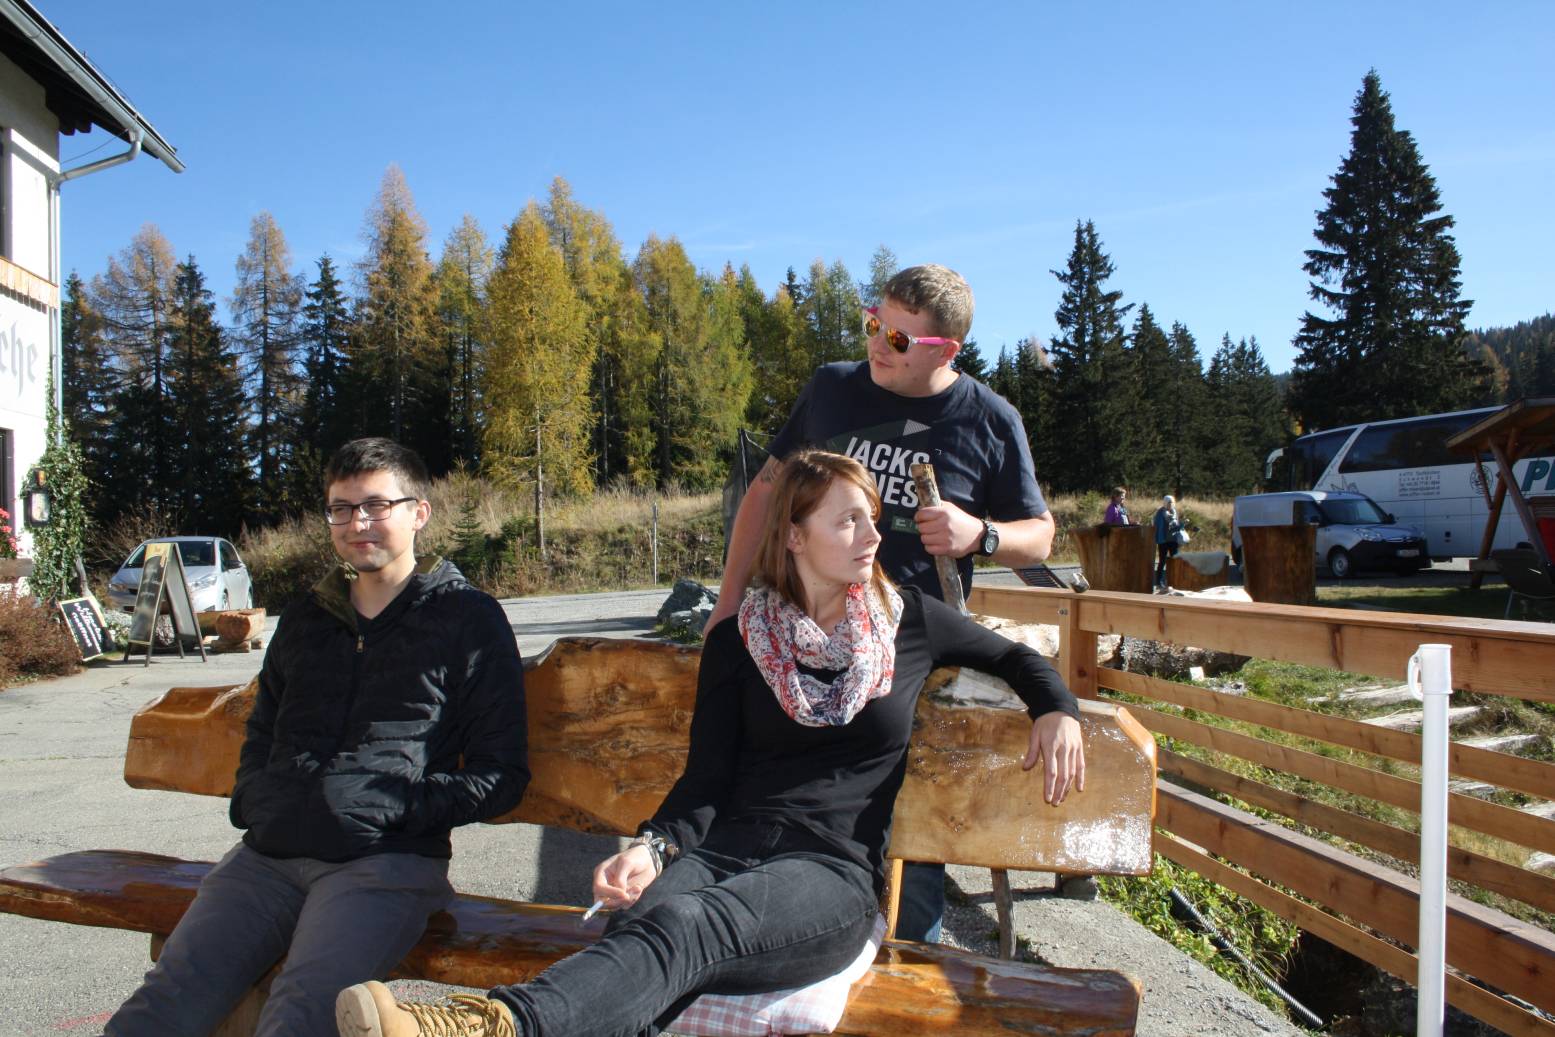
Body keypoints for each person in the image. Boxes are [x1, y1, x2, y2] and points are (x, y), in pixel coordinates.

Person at [336, 450, 1084, 1037]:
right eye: (848, 521)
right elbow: (705, 780)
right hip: (728, 849)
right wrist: (652, 849)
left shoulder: (908, 619)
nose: (872, 536)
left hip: (829, 873)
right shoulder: (740, 639)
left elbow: (1018, 659)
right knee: (637, 922)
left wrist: (1057, 710)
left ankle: (491, 1024)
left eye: (871, 519)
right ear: (793, 536)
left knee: (686, 925)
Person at [106, 438, 530, 1037]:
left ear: (419, 513)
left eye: (377, 505)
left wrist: (394, 808)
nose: (358, 523)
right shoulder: (308, 617)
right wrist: (255, 797)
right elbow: (263, 726)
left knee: (302, 1015)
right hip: (267, 857)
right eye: (341, 508)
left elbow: (501, 774)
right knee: (163, 1005)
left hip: (384, 862)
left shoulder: (468, 619)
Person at [705, 263, 1054, 944]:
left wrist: (979, 534)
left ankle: (902, 964)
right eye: (873, 323)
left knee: (907, 842)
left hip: (907, 663)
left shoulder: (989, 420)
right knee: (772, 807)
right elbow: (764, 494)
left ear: (946, 350)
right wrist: (727, 604)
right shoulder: (831, 390)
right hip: (797, 640)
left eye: (898, 339)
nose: (875, 344)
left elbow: (1039, 537)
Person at [1153, 494, 1184, 588]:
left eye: (1172, 502)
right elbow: (1157, 526)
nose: (1171, 504)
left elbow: (1176, 527)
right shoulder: (1160, 512)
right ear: (1165, 502)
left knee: (1175, 560)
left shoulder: (1174, 512)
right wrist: (1156, 539)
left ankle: (1173, 581)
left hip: (1173, 540)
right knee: (1162, 561)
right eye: (1169, 502)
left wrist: (1183, 524)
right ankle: (1159, 582)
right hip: (1163, 540)